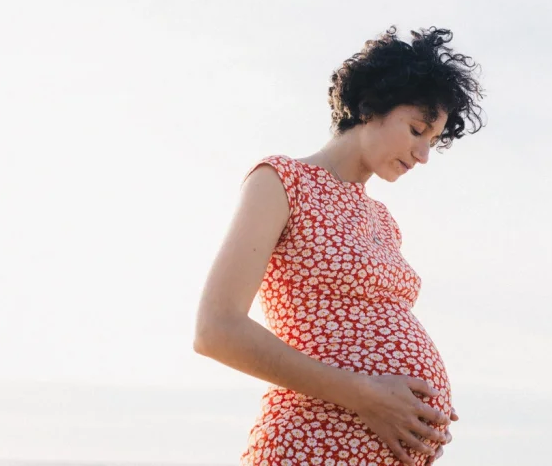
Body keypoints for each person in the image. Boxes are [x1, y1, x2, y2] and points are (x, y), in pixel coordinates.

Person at [194, 26, 486, 466]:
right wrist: (367, 395)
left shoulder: (383, 220)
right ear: (371, 106)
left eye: (433, 141)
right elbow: (215, 330)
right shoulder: (281, 181)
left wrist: (424, 416)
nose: (423, 154)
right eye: (416, 129)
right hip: (310, 446)